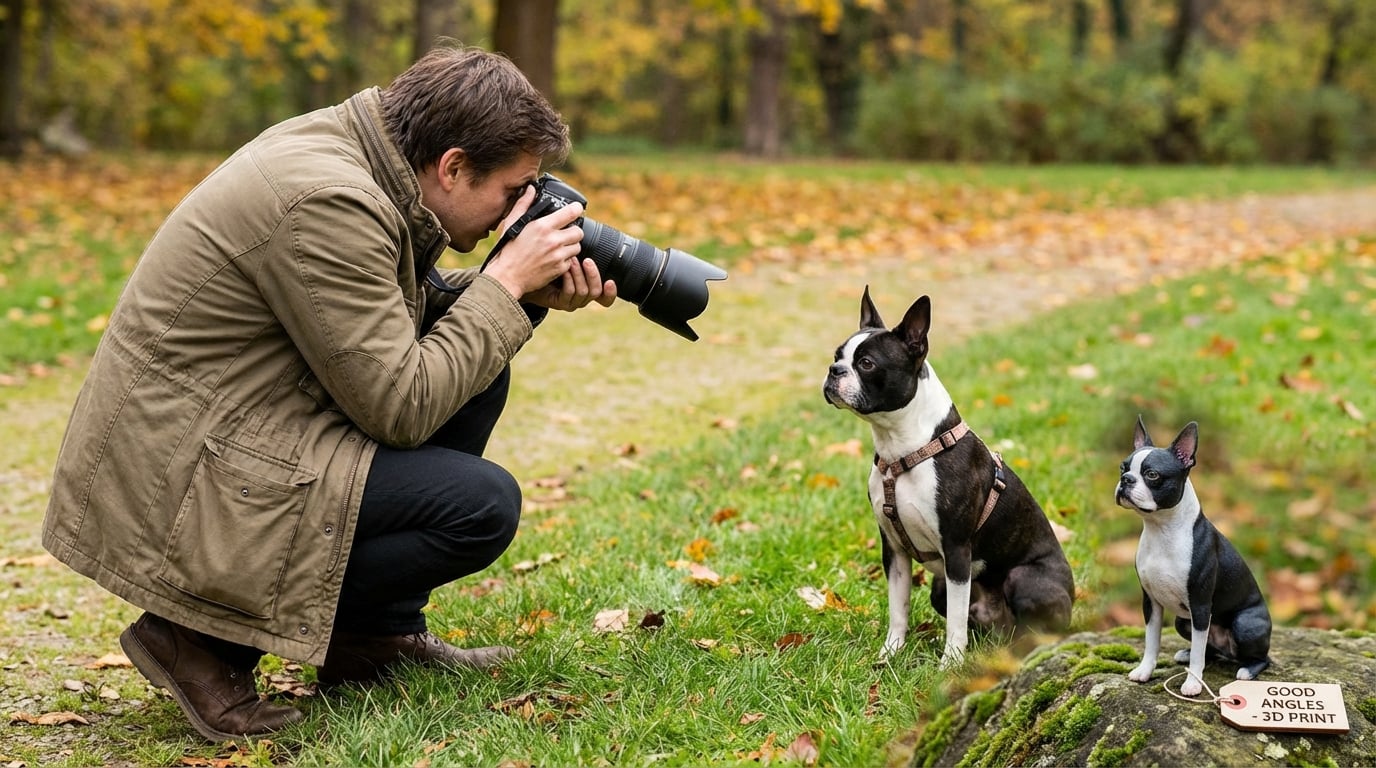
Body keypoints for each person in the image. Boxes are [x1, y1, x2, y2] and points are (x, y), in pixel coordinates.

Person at [42, 45, 615, 742]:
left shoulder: (356, 152)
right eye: (511, 191)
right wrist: (501, 287)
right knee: (479, 506)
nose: (513, 215)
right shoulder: (328, 198)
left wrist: (522, 296)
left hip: (228, 431)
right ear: (454, 166)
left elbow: (385, 326)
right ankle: (197, 640)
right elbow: (400, 407)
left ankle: (372, 641)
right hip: (182, 477)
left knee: (478, 372)